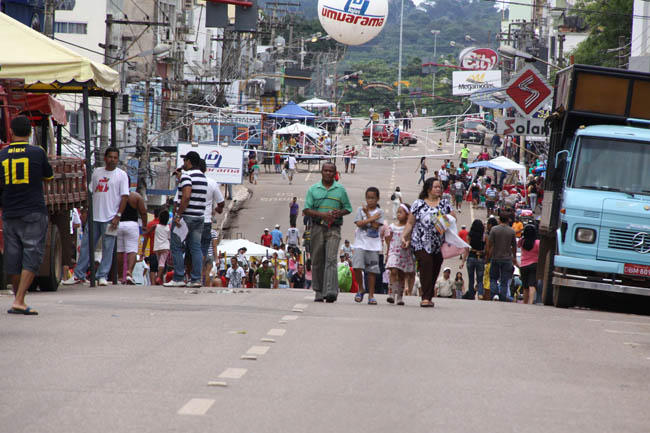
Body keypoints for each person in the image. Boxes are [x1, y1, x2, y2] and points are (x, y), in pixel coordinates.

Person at [2, 116, 53, 315]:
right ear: (30, 133)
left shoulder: (2, 154)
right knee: (31, 255)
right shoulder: (37, 152)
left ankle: (18, 299)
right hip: (33, 210)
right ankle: (19, 300)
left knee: (13, 258)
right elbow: (48, 176)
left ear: (11, 132)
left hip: (9, 212)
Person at [63, 147, 129, 286]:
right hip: (94, 217)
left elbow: (124, 197)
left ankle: (102, 276)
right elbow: (90, 192)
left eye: (115, 157)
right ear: (105, 158)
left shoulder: (121, 175)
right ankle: (79, 275)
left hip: (111, 218)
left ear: (118, 159)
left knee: (108, 248)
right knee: (86, 246)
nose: (112, 160)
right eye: (110, 157)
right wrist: (86, 210)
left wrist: (118, 216)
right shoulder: (97, 172)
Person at [402, 177, 456, 307]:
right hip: (420, 242)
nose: (439, 189)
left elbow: (453, 219)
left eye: (440, 187)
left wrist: (442, 221)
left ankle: (429, 295)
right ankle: (425, 297)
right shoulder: (418, 204)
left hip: (438, 244)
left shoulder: (445, 204)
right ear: (428, 189)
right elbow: (410, 222)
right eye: (436, 187)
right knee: (426, 265)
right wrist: (404, 236)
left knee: (435, 268)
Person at [303, 162, 352, 302]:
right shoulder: (313, 189)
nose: (328, 173)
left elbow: (348, 208)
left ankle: (330, 291)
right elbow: (307, 209)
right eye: (326, 171)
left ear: (335, 173)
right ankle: (318, 291)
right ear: (322, 172)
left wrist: (339, 212)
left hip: (334, 229)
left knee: (331, 259)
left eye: (331, 171)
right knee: (317, 259)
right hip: (317, 228)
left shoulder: (340, 190)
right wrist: (322, 215)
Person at [164, 151, 207, 288]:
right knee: (195, 248)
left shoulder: (187, 176)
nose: (183, 164)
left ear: (188, 162)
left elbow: (186, 196)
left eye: (185, 161)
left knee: (176, 246)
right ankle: (196, 279)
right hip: (199, 217)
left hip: (186, 217)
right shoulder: (203, 177)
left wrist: (178, 215)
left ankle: (178, 277)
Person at [352, 187, 385, 305]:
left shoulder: (380, 212)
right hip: (360, 243)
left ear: (377, 199)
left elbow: (376, 226)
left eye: (373, 198)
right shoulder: (360, 210)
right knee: (357, 267)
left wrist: (368, 216)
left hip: (373, 245)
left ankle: (371, 294)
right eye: (368, 198)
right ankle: (361, 288)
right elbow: (359, 223)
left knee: (372, 271)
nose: (370, 201)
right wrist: (370, 217)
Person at [384, 203, 415, 306]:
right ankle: (391, 293)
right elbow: (388, 240)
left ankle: (400, 296)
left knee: (402, 274)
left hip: (404, 253)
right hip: (394, 252)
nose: (398, 214)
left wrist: (408, 242)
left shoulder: (408, 227)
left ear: (407, 215)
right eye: (397, 212)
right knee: (393, 271)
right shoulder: (392, 226)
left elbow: (410, 238)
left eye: (401, 212)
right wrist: (387, 253)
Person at [485, 212, 518, 301]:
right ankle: (503, 297)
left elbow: (489, 244)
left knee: (493, 278)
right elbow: (514, 246)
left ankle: (495, 294)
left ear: (499, 219)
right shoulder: (511, 231)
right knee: (504, 280)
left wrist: (488, 255)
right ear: (508, 220)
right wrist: (514, 257)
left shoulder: (494, 230)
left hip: (495, 257)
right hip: (507, 259)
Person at [116, 191, 147, 284]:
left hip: (118, 224)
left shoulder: (116, 194)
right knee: (132, 250)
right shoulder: (136, 196)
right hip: (132, 224)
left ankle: (120, 277)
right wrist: (145, 225)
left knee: (119, 251)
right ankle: (129, 273)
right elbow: (143, 212)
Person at [518, 224, 540, 304]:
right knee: (532, 285)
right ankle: (530, 302)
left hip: (523, 266)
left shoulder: (522, 241)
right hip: (534, 265)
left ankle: (525, 302)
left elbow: (518, 244)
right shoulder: (537, 243)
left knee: (525, 286)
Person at [153, 210, 171, 285]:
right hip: (165, 247)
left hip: (157, 247)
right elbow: (169, 238)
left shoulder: (156, 226)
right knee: (162, 263)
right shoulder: (168, 228)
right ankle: (158, 277)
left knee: (159, 263)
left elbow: (148, 232)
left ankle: (158, 277)